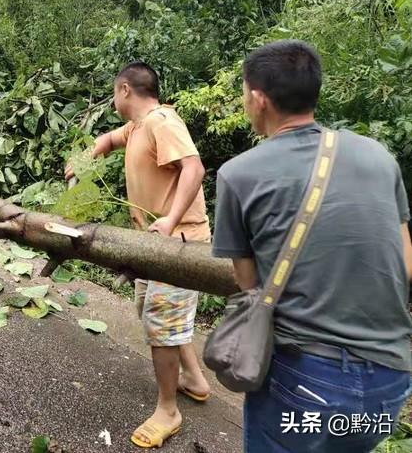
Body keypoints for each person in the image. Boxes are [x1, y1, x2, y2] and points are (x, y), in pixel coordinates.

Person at [212, 40, 412, 453]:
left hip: (306, 380)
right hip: (391, 379)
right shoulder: (379, 157)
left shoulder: (238, 174)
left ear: (258, 98)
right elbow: (405, 264)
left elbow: (250, 284)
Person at [65, 62, 211, 449]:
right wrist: (84, 158)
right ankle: (194, 380)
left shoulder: (162, 121)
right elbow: (109, 141)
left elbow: (193, 168)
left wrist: (169, 220)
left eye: (114, 93)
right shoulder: (136, 128)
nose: (114, 100)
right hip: (150, 244)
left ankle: (168, 410)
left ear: (125, 89)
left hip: (177, 243)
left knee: (162, 325)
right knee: (155, 313)